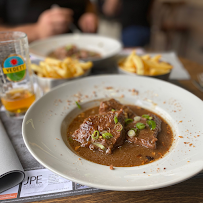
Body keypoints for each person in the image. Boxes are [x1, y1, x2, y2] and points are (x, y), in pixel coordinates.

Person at [0, 0, 98, 42]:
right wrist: (36, 32)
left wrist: (88, 14)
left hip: (81, 56)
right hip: (21, 68)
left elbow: (87, 3)